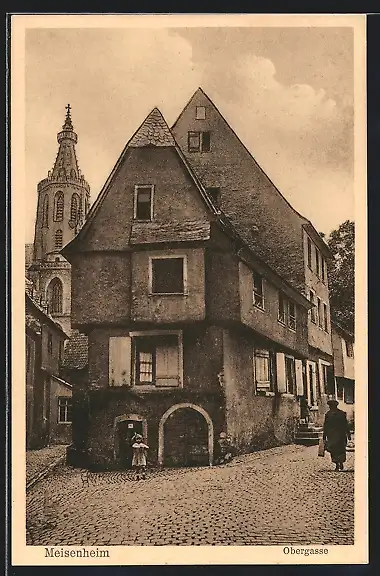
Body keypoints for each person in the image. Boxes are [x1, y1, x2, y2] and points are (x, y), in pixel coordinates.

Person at [323, 399, 351, 471]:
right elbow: (345, 425)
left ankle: (337, 464)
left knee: (334, 450)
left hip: (332, 435)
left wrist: (324, 436)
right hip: (341, 435)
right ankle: (340, 462)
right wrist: (348, 434)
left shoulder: (328, 415)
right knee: (341, 449)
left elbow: (325, 426)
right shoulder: (342, 413)